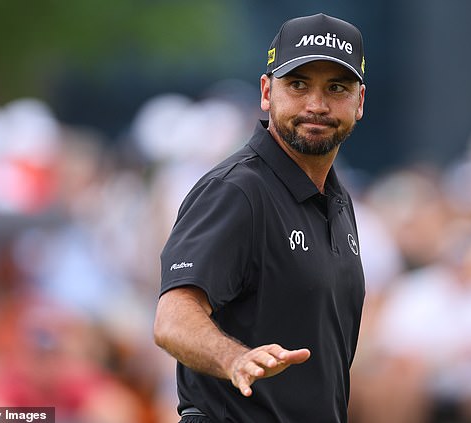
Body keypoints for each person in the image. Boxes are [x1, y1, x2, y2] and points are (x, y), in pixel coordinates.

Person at [153, 13, 367, 423]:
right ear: (267, 93)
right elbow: (173, 318)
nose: (316, 105)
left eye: (336, 88)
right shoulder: (237, 191)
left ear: (359, 102)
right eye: (298, 85)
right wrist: (235, 359)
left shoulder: (337, 200)